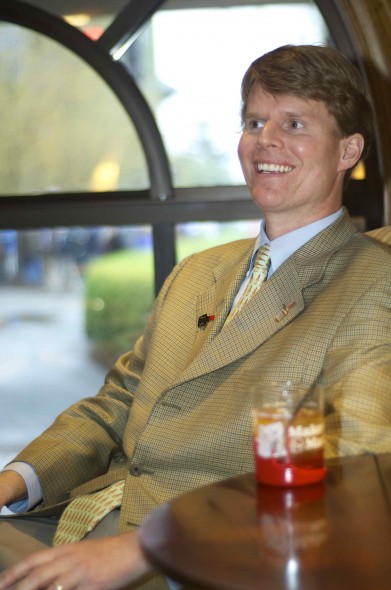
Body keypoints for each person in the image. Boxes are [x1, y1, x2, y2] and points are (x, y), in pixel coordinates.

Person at [0, 43, 390, 590]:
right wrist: (14, 480)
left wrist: (147, 550)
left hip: (198, 560)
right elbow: (115, 407)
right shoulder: (196, 272)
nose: (265, 140)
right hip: (75, 517)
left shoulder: (374, 285)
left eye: (294, 122)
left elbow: (360, 478)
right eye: (254, 121)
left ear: (349, 150)